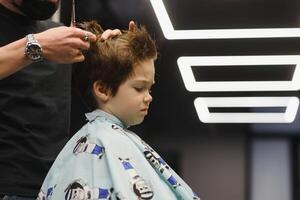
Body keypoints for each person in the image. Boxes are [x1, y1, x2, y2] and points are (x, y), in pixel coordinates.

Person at [38, 21, 200, 200]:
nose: (149, 97)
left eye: (150, 89)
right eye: (139, 88)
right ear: (103, 90)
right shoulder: (100, 142)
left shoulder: (110, 138)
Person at [0, 0, 131, 199]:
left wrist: (115, 54)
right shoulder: (48, 41)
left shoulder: (61, 37)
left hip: (56, 187)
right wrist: (36, 45)